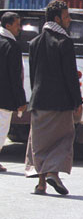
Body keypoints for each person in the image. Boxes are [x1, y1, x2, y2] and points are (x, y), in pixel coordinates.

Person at [25, 0, 82, 195]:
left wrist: (35, 97)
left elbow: (33, 76)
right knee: (63, 139)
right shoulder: (64, 42)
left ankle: (41, 183)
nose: (69, 20)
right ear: (57, 19)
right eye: (66, 16)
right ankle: (53, 174)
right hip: (60, 103)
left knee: (39, 143)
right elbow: (71, 76)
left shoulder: (35, 43)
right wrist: (77, 101)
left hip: (39, 101)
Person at [0, 12, 27, 172]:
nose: (19, 29)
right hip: (4, 98)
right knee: (1, 128)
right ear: (8, 25)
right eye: (17, 25)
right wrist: (21, 101)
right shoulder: (11, 46)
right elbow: (15, 77)